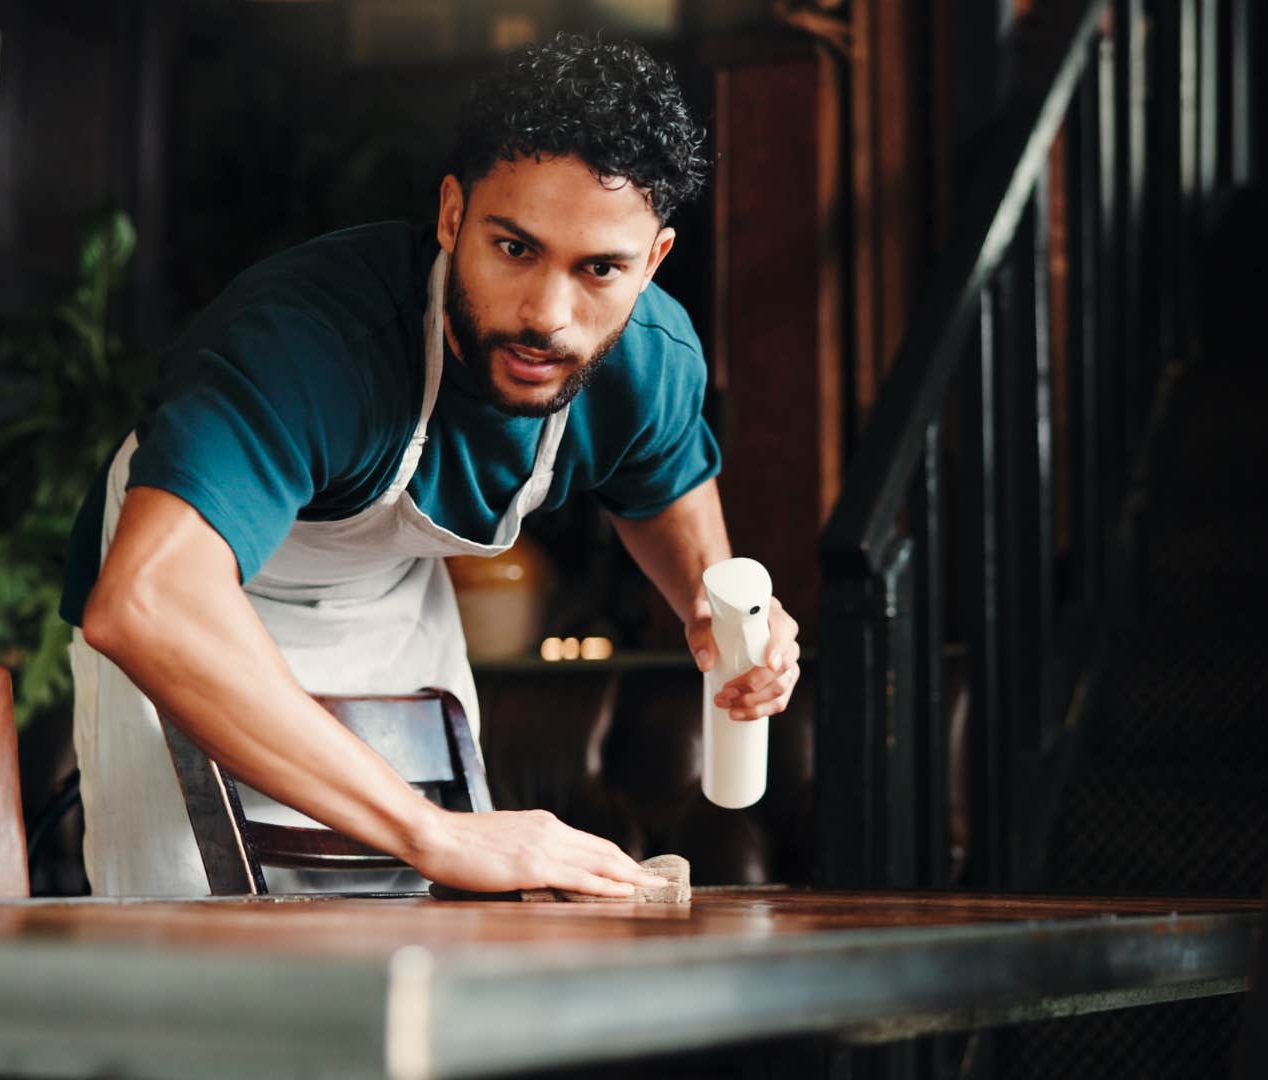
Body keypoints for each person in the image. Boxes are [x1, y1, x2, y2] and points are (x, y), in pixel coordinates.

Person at [59, 32, 802, 898]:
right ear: (453, 215)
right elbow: (149, 603)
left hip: (392, 600)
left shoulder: (650, 361)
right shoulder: (308, 342)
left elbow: (677, 517)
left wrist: (723, 622)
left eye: (601, 268)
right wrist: (434, 833)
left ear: (654, 262)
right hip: (196, 595)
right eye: (515, 248)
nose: (547, 316)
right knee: (194, 942)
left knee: (428, 923)